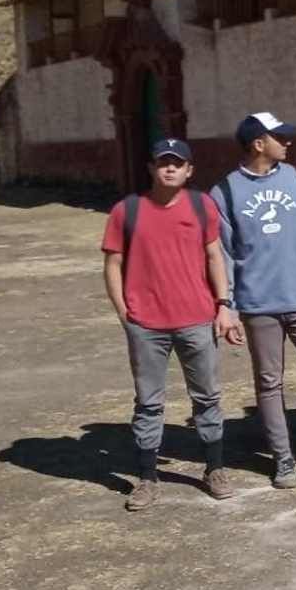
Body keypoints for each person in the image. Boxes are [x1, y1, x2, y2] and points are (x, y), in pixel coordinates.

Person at [211, 112, 296, 490]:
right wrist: (229, 306)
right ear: (258, 143)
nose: (287, 143)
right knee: (269, 382)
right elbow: (221, 255)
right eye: (280, 137)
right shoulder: (224, 192)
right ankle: (284, 460)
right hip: (259, 306)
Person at [101, 138, 239, 510]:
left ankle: (214, 468)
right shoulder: (126, 211)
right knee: (148, 402)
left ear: (189, 170)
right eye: (163, 162)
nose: (170, 168)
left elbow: (214, 257)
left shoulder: (201, 205)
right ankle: (147, 477)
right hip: (147, 324)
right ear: (151, 167)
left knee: (207, 396)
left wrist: (224, 305)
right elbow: (113, 264)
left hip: (197, 318)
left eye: (178, 163)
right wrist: (123, 312)